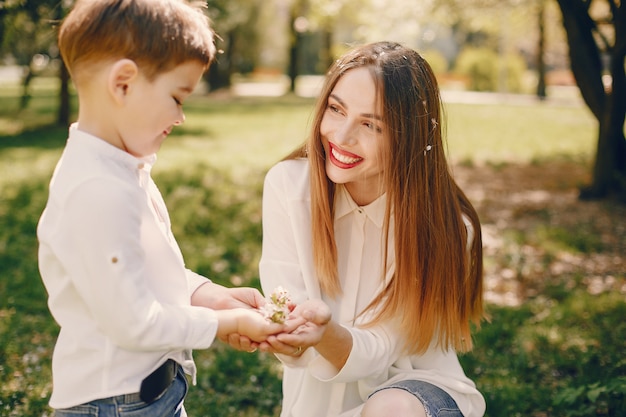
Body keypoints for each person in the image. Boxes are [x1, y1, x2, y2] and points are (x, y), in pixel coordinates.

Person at [37, 1, 297, 416]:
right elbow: (134, 322)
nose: (180, 116)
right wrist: (226, 325)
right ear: (123, 83)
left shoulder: (121, 168)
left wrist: (211, 297)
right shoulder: (97, 190)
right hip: (115, 406)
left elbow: (146, 270)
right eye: (177, 97)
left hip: (150, 396)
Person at [251, 41, 487, 417]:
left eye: (370, 125)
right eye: (336, 109)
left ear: (409, 137)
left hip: (415, 400)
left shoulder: (446, 227)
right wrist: (287, 333)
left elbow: (380, 351)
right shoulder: (288, 189)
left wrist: (325, 335)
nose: (342, 137)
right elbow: (290, 332)